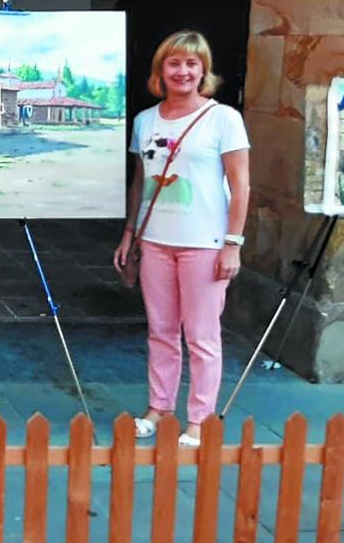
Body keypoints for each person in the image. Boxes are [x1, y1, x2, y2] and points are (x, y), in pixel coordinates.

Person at [113, 30, 249, 447]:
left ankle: (200, 419)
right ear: (161, 70)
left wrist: (233, 243)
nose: (183, 71)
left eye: (192, 63)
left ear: (204, 70)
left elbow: (240, 184)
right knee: (161, 330)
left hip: (204, 242)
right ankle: (159, 407)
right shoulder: (145, 121)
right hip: (155, 240)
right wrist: (130, 233)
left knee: (202, 335)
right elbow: (141, 182)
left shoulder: (223, 119)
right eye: (174, 62)